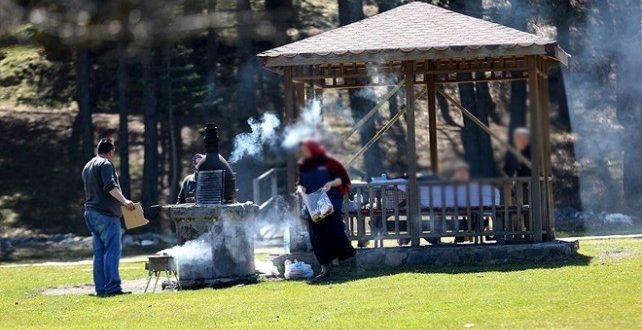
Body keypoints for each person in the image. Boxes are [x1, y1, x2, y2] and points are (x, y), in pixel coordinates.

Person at [82, 138, 135, 297]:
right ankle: (113, 288)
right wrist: (125, 201)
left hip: (90, 213)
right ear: (111, 151)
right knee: (112, 251)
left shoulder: (88, 166)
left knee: (99, 253)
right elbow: (109, 186)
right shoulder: (105, 164)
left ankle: (101, 289)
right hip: (105, 214)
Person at [297, 140, 356, 280]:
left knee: (333, 233)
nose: (304, 153)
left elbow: (342, 179)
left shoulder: (329, 162)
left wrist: (331, 184)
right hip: (313, 206)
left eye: (306, 150)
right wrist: (301, 192)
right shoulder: (303, 166)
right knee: (316, 237)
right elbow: (300, 185)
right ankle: (324, 269)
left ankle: (336, 263)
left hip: (331, 203)